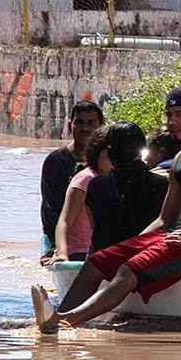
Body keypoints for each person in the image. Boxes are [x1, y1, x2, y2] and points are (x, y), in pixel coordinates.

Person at [31, 87, 181, 332]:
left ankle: (62, 322)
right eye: (169, 115)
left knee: (128, 271)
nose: (173, 122)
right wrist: (130, 246)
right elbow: (165, 218)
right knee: (98, 261)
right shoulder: (180, 159)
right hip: (176, 236)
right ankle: (58, 313)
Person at [84, 122, 169, 253]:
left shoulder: (96, 185)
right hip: (146, 257)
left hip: (104, 258)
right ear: (141, 149)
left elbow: (95, 226)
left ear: (110, 153)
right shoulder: (162, 184)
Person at [40, 100, 104, 258]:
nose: (85, 128)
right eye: (79, 123)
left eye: (91, 122)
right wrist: (57, 246)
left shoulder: (107, 161)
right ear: (70, 127)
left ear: (102, 127)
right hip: (66, 239)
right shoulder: (56, 162)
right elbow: (52, 209)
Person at [50, 125, 112, 263]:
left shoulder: (116, 178)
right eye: (110, 155)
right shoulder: (86, 179)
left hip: (100, 249)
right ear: (97, 153)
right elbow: (64, 221)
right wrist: (62, 254)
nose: (115, 160)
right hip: (78, 252)